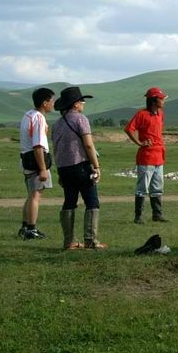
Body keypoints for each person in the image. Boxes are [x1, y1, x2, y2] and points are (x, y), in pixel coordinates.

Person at [51, 86, 106, 250]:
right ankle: (91, 240)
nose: (83, 104)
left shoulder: (57, 124)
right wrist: (96, 166)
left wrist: (60, 171)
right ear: (75, 104)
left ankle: (69, 241)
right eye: (82, 101)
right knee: (92, 202)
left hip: (64, 168)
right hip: (81, 166)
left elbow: (56, 148)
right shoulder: (81, 119)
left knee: (69, 202)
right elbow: (88, 145)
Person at [124, 87, 170, 224]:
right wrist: (140, 143)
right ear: (154, 100)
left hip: (159, 155)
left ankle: (157, 214)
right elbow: (129, 129)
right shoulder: (142, 114)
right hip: (146, 156)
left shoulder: (160, 114)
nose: (163, 101)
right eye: (161, 98)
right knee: (142, 188)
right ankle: (138, 216)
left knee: (157, 187)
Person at [18, 87, 55, 240]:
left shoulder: (28, 114)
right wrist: (43, 169)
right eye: (52, 101)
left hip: (26, 159)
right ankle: (31, 229)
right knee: (35, 196)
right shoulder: (39, 118)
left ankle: (25, 226)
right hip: (36, 161)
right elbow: (38, 145)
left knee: (30, 195)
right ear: (45, 103)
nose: (53, 104)